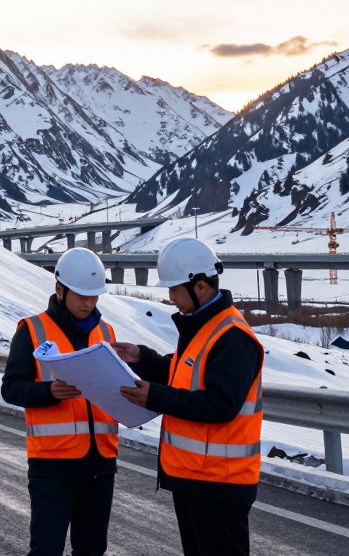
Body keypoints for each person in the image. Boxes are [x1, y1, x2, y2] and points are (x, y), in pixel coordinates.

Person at [114, 237, 264, 556]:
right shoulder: (204, 328)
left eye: (174, 289)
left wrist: (155, 397)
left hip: (220, 484)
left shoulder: (232, 336)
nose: (170, 297)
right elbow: (180, 374)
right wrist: (141, 357)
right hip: (195, 478)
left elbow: (220, 405)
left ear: (200, 287)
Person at [2, 247, 119, 556]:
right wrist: (49, 392)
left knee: (92, 550)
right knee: (46, 550)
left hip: (100, 465)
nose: (88, 303)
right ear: (60, 289)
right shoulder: (32, 331)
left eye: (94, 296)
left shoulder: (106, 332)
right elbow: (11, 388)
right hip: (52, 466)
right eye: (81, 296)